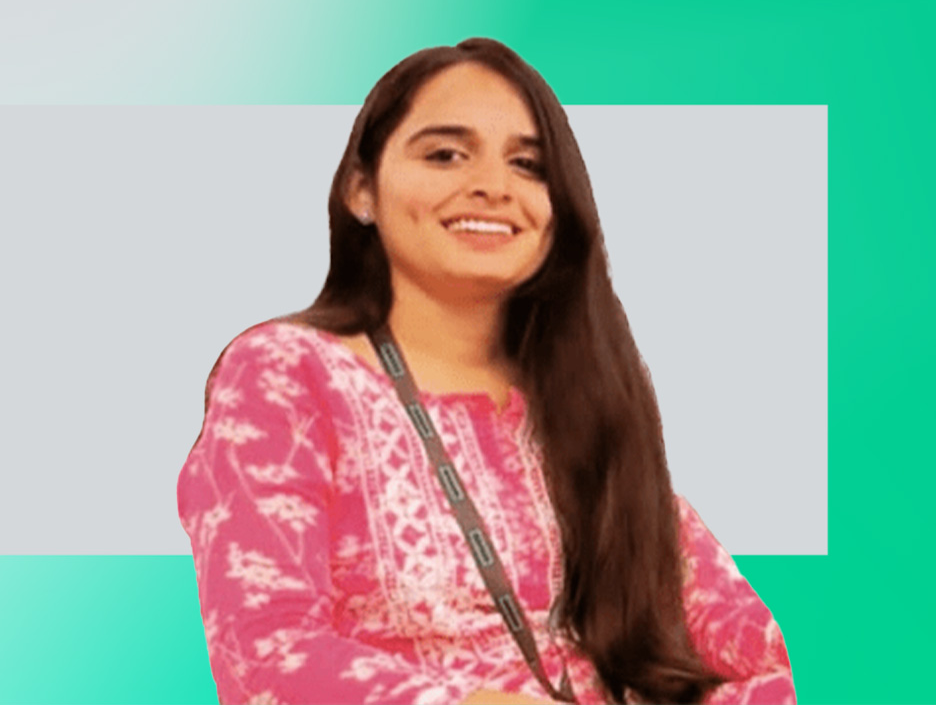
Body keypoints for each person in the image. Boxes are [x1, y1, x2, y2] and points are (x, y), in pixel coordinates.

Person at [177, 37, 796, 705]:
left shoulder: (584, 398)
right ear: (361, 189)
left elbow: (756, 657)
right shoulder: (285, 375)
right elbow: (266, 654)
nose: (493, 187)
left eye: (529, 165)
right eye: (445, 153)